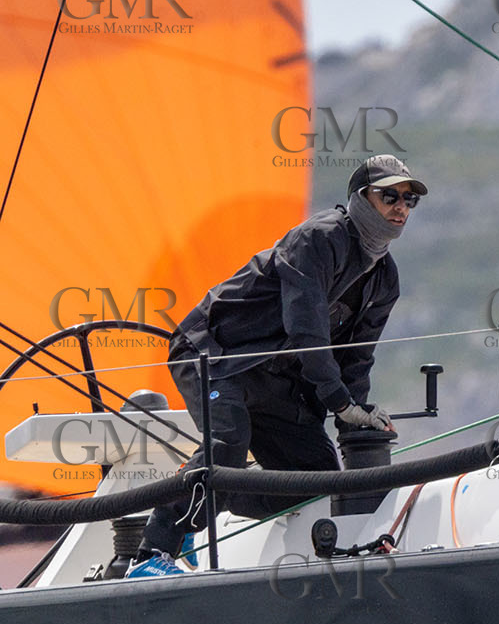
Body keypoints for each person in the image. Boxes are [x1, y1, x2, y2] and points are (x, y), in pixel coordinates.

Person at [129, 154, 424, 577]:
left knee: (314, 483)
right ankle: (149, 555)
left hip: (276, 378)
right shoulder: (319, 238)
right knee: (228, 445)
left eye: (409, 199)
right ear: (361, 198)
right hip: (215, 354)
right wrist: (340, 403)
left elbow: (357, 358)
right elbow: (306, 329)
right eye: (389, 196)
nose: (401, 207)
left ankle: (198, 503)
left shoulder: (385, 279)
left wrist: (357, 420)